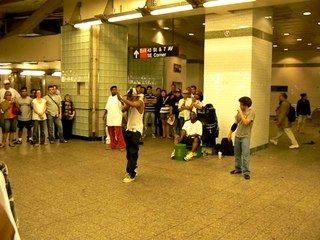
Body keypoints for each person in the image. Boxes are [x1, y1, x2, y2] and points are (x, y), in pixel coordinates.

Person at [117, 88, 144, 183]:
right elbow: (123, 109)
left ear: (134, 96)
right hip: (129, 129)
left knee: (133, 151)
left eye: (129, 96)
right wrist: (121, 100)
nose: (128, 98)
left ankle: (131, 173)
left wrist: (122, 98)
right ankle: (134, 168)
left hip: (136, 130)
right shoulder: (130, 103)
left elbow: (134, 104)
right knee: (129, 153)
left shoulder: (140, 102)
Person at [228, 97, 255, 180]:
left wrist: (240, 112)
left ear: (245, 105)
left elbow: (246, 122)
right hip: (238, 136)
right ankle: (238, 169)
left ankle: (246, 172)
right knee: (237, 154)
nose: (239, 106)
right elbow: (235, 123)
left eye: (241, 104)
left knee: (245, 154)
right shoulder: (239, 113)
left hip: (245, 136)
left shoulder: (251, 113)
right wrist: (230, 133)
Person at [103, 86, 126, 151]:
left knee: (118, 132)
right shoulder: (109, 98)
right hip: (110, 116)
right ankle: (113, 144)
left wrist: (119, 98)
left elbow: (123, 104)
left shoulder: (119, 96)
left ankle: (122, 146)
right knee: (110, 132)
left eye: (115, 89)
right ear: (111, 91)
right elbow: (107, 107)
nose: (114, 91)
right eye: (113, 90)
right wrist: (104, 114)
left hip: (117, 117)